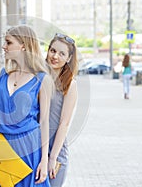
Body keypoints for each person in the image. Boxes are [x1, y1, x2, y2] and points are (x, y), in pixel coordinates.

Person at [0, 25, 53, 186]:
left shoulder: (42, 79)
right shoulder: (0, 75)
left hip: (29, 149)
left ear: (23, 45)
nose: (3, 46)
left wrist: (44, 160)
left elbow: (44, 122)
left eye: (8, 42)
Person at [45, 33, 78, 187]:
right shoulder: (38, 77)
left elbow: (64, 123)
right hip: (33, 145)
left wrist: (53, 158)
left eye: (61, 53)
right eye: (52, 51)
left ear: (69, 58)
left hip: (55, 149)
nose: (55, 56)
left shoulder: (70, 84)